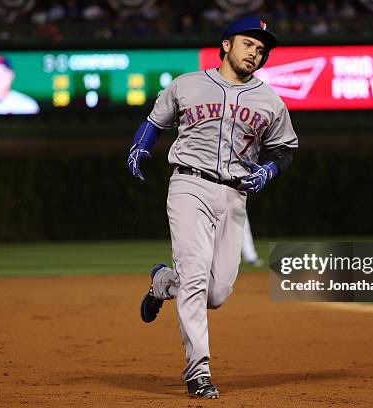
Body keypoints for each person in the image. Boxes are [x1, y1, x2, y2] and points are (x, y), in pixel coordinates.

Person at [128, 17, 298, 399]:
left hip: (235, 195)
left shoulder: (270, 100)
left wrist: (269, 171)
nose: (255, 52)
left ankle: (161, 283)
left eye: (260, 48)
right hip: (189, 185)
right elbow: (155, 121)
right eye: (248, 43)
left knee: (216, 292)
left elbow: (285, 148)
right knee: (195, 280)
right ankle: (198, 373)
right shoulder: (187, 84)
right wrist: (140, 146)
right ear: (225, 45)